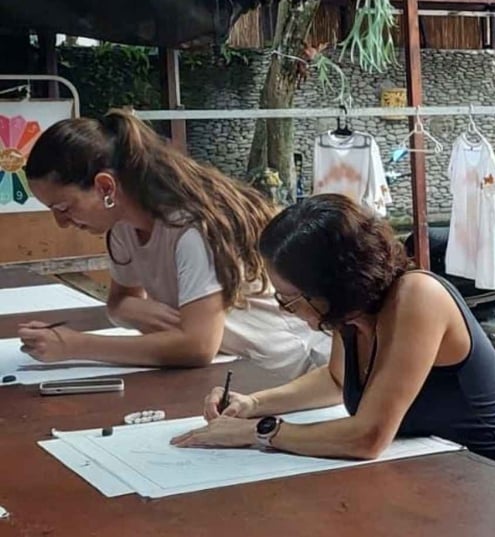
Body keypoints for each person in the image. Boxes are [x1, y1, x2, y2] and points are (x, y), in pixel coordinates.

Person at [171, 194, 495, 484]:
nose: (288, 310)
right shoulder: (352, 316)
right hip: (441, 472)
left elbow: (368, 437)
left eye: (290, 299)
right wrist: (254, 404)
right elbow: (335, 379)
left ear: (330, 286)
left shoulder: (418, 297)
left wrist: (260, 431)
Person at [20, 110, 327, 378]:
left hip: (283, 371)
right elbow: (120, 302)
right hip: (227, 370)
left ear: (105, 186)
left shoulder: (189, 229)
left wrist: (75, 345)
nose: (61, 222)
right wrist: (134, 311)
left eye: (64, 208)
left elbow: (198, 346)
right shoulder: (124, 228)